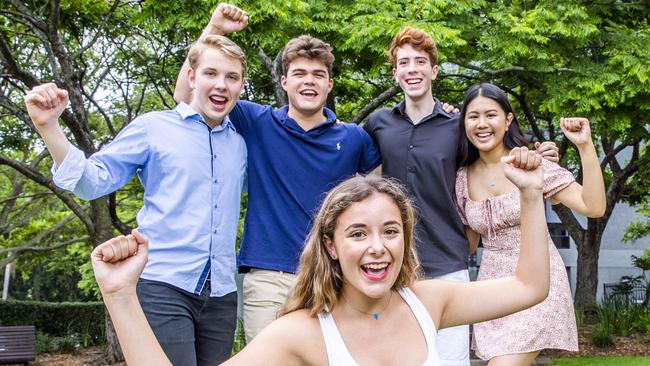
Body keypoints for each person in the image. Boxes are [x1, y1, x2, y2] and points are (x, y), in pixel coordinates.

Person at [93, 158, 550, 366]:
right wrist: (120, 296)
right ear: (330, 246)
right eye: (358, 233)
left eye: (391, 231)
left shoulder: (429, 302)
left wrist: (530, 196)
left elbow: (531, 287)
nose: (378, 247)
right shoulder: (302, 333)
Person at [24, 35, 248, 366]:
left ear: (241, 86)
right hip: (163, 286)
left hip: (222, 294)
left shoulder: (241, 145)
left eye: (232, 77)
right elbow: (91, 181)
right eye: (211, 74)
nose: (221, 85)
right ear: (191, 77)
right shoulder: (153, 128)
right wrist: (49, 127)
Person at [174, 4, 388, 343]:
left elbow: (377, 206)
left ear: (329, 84)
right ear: (285, 81)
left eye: (318, 74)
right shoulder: (256, 122)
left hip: (332, 276)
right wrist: (215, 28)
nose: (309, 81)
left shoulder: (354, 138)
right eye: (300, 73)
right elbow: (186, 96)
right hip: (268, 278)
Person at [362, 26, 559, 365]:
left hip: (447, 262)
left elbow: (494, 156)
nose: (412, 69)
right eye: (404, 62)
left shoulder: (458, 126)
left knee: (450, 359)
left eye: (420, 62)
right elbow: (364, 179)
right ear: (395, 72)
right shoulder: (378, 123)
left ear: (434, 70)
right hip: (392, 265)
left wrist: (539, 155)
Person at [455, 83, 606, 364]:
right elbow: (469, 243)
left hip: (538, 281)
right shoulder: (460, 178)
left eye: (491, 115)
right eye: (473, 116)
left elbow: (593, 206)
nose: (482, 124)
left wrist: (585, 145)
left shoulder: (530, 164)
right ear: (463, 122)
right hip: (492, 289)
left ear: (508, 119)